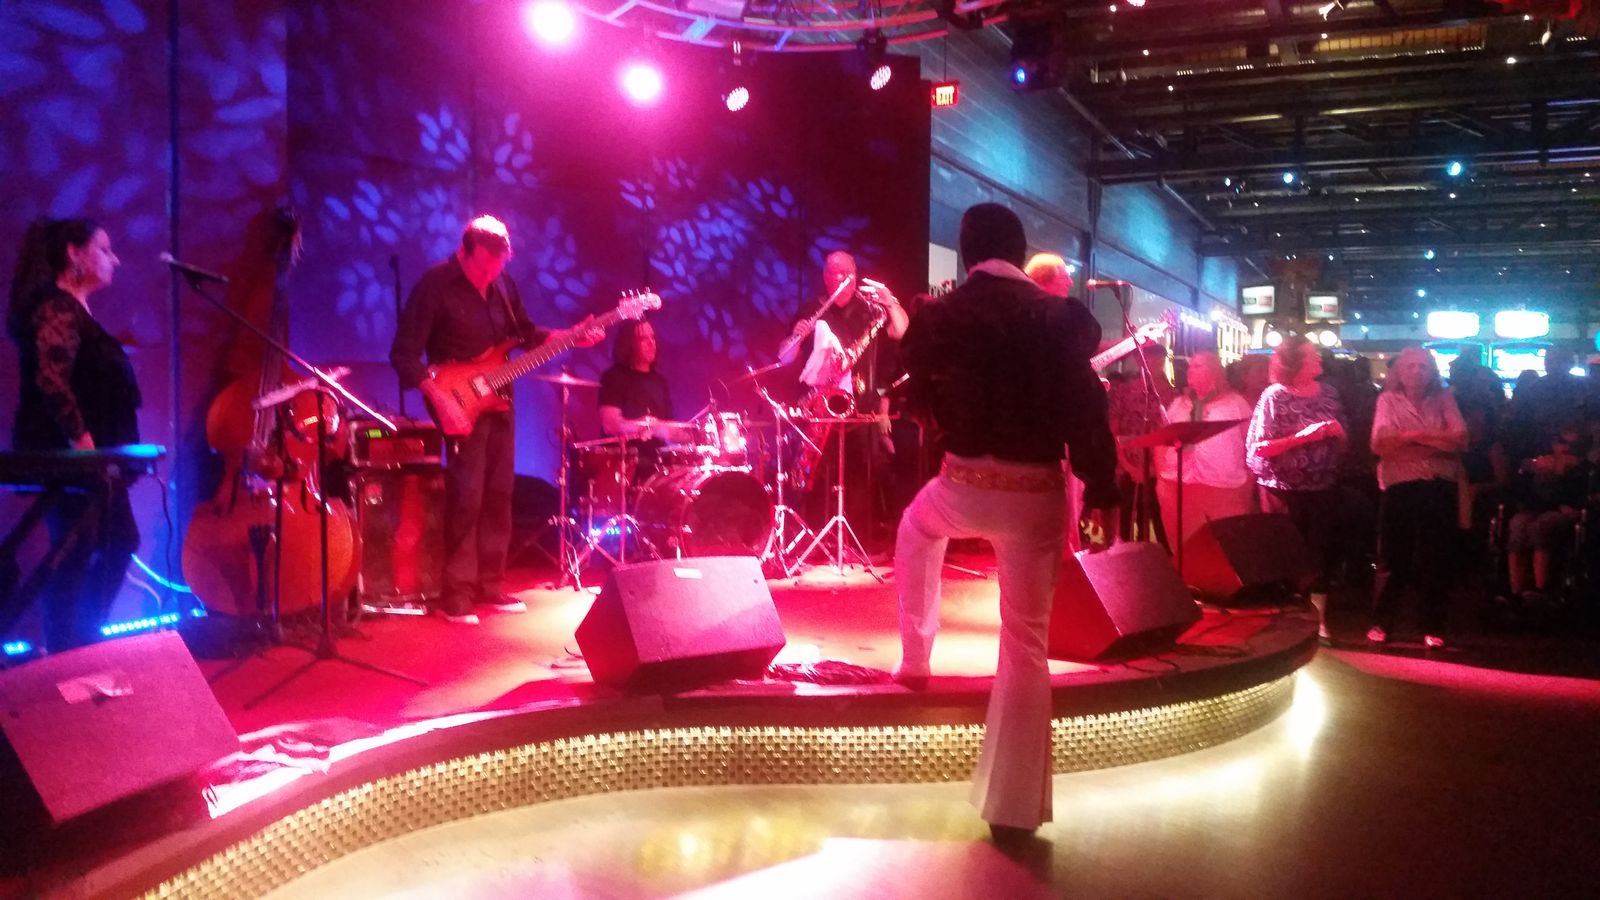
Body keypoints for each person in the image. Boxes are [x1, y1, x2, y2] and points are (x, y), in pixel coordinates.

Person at [893, 203, 1119, 849]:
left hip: (964, 484)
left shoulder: (943, 316)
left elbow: (914, 376)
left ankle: (915, 658)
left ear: (967, 254)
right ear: (1021, 254)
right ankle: (1014, 810)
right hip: (1036, 494)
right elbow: (1086, 405)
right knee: (1025, 645)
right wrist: (1101, 485)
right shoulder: (1058, 319)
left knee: (915, 528)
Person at [391, 215, 601, 624]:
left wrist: (570, 336)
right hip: (457, 400)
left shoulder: (504, 286)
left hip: (501, 400)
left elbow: (524, 334)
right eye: (484, 267)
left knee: (499, 494)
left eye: (498, 266)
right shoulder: (435, 285)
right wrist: (441, 402)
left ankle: (489, 584)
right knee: (467, 495)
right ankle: (456, 593)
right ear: (464, 251)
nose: (491, 275)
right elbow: (403, 355)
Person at [6, 217, 141, 652]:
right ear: (74, 253)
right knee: (83, 545)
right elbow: (51, 379)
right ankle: (70, 646)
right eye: (104, 249)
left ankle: (79, 641)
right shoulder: (58, 308)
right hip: (69, 457)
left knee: (106, 541)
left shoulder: (75, 310)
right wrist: (82, 443)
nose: (114, 259)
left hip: (94, 459)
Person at [781, 251, 909, 535]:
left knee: (859, 476)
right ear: (824, 277)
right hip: (820, 409)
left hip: (860, 408)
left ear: (853, 276)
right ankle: (817, 539)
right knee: (819, 477)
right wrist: (797, 337)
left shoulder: (869, 308)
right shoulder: (811, 309)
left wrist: (890, 301)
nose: (837, 277)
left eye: (844, 272)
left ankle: (855, 539)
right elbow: (785, 357)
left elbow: (901, 331)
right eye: (831, 272)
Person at [1366, 346, 1467, 649]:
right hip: (1401, 485)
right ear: (1399, 371)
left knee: (1436, 558)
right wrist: (1434, 441)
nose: (1417, 372)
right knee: (1394, 557)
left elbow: (1461, 438)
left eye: (1423, 366)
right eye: (1410, 366)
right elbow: (1380, 444)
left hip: (1439, 485)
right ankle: (1382, 622)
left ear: (1432, 371)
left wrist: (1408, 438)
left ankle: (1433, 626)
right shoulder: (1387, 400)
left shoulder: (1444, 398)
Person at [1246, 335, 1346, 621]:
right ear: (1294, 363)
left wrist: (1340, 435)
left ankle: (1318, 618)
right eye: (1312, 355)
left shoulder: (1330, 393)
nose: (1319, 358)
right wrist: (1303, 437)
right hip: (1283, 489)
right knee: (1288, 556)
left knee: (1320, 555)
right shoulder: (1274, 396)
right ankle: (1287, 617)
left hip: (1323, 486)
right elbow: (1260, 447)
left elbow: (1344, 442)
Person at [1157, 350, 1254, 546]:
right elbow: (1162, 441)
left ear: (1214, 371)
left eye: (1198, 366)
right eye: (1190, 366)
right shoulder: (1179, 404)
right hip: (1178, 485)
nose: (1190, 370)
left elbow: (1250, 443)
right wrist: (1160, 476)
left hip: (1224, 488)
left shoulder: (1236, 404)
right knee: (1186, 545)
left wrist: (1248, 482)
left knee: (1227, 545)